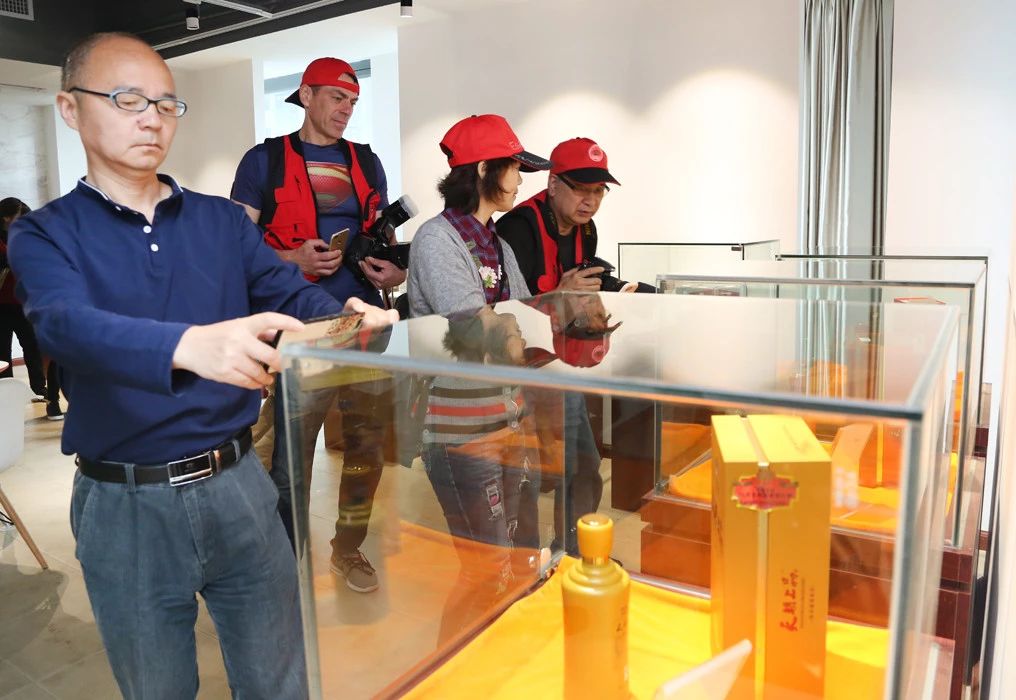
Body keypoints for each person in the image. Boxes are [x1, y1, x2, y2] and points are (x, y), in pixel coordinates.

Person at [8, 32, 395, 699]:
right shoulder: (44, 232)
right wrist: (190, 345)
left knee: (280, 680)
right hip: (126, 504)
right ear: (70, 108)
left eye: (166, 104)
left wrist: (347, 313)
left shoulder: (221, 222)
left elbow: (285, 290)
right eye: (127, 99)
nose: (152, 119)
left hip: (239, 485)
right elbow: (63, 325)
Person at [231, 57, 404, 592]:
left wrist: (394, 269)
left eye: (353, 101)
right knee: (292, 457)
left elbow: (382, 238)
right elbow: (233, 248)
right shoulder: (263, 162)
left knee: (366, 450)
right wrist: (290, 259)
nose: (346, 109)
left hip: (362, 328)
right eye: (336, 97)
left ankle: (347, 549)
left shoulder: (366, 162)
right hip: (299, 332)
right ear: (305, 96)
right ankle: (289, 561)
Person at [407, 114, 550, 317]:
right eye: (515, 169)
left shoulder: (500, 246)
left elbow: (526, 315)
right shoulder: (435, 239)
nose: (519, 180)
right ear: (484, 169)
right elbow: (471, 321)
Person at [497, 137, 647, 294]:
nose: (591, 201)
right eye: (581, 188)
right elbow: (501, 304)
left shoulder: (587, 228)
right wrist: (559, 295)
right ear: (553, 185)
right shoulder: (518, 229)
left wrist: (623, 288)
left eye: (598, 190)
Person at [0, 197, 48, 402]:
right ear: (6, 217)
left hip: (23, 303)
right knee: (2, 352)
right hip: (1, 305)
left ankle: (39, 389)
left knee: (32, 346)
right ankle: (6, 393)